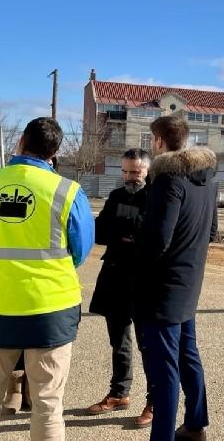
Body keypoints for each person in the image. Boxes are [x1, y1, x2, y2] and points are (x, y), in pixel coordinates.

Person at [0, 117, 95, 441]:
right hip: (50, 308)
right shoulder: (67, 191)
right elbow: (80, 250)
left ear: (21, 141)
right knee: (48, 403)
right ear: (55, 152)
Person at [137, 115, 217, 441]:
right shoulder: (207, 180)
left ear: (158, 141)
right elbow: (211, 232)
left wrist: (135, 245)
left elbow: (158, 240)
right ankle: (196, 424)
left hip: (162, 289)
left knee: (163, 370)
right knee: (187, 354)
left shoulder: (168, 181)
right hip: (189, 282)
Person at [86, 148, 154, 428]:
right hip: (115, 276)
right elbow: (100, 233)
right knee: (119, 342)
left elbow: (152, 237)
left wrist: (127, 230)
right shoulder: (115, 196)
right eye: (125, 171)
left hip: (144, 280)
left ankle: (155, 400)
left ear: (147, 171)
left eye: (135, 172)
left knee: (148, 344)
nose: (129, 177)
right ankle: (119, 393)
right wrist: (127, 231)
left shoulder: (157, 198)